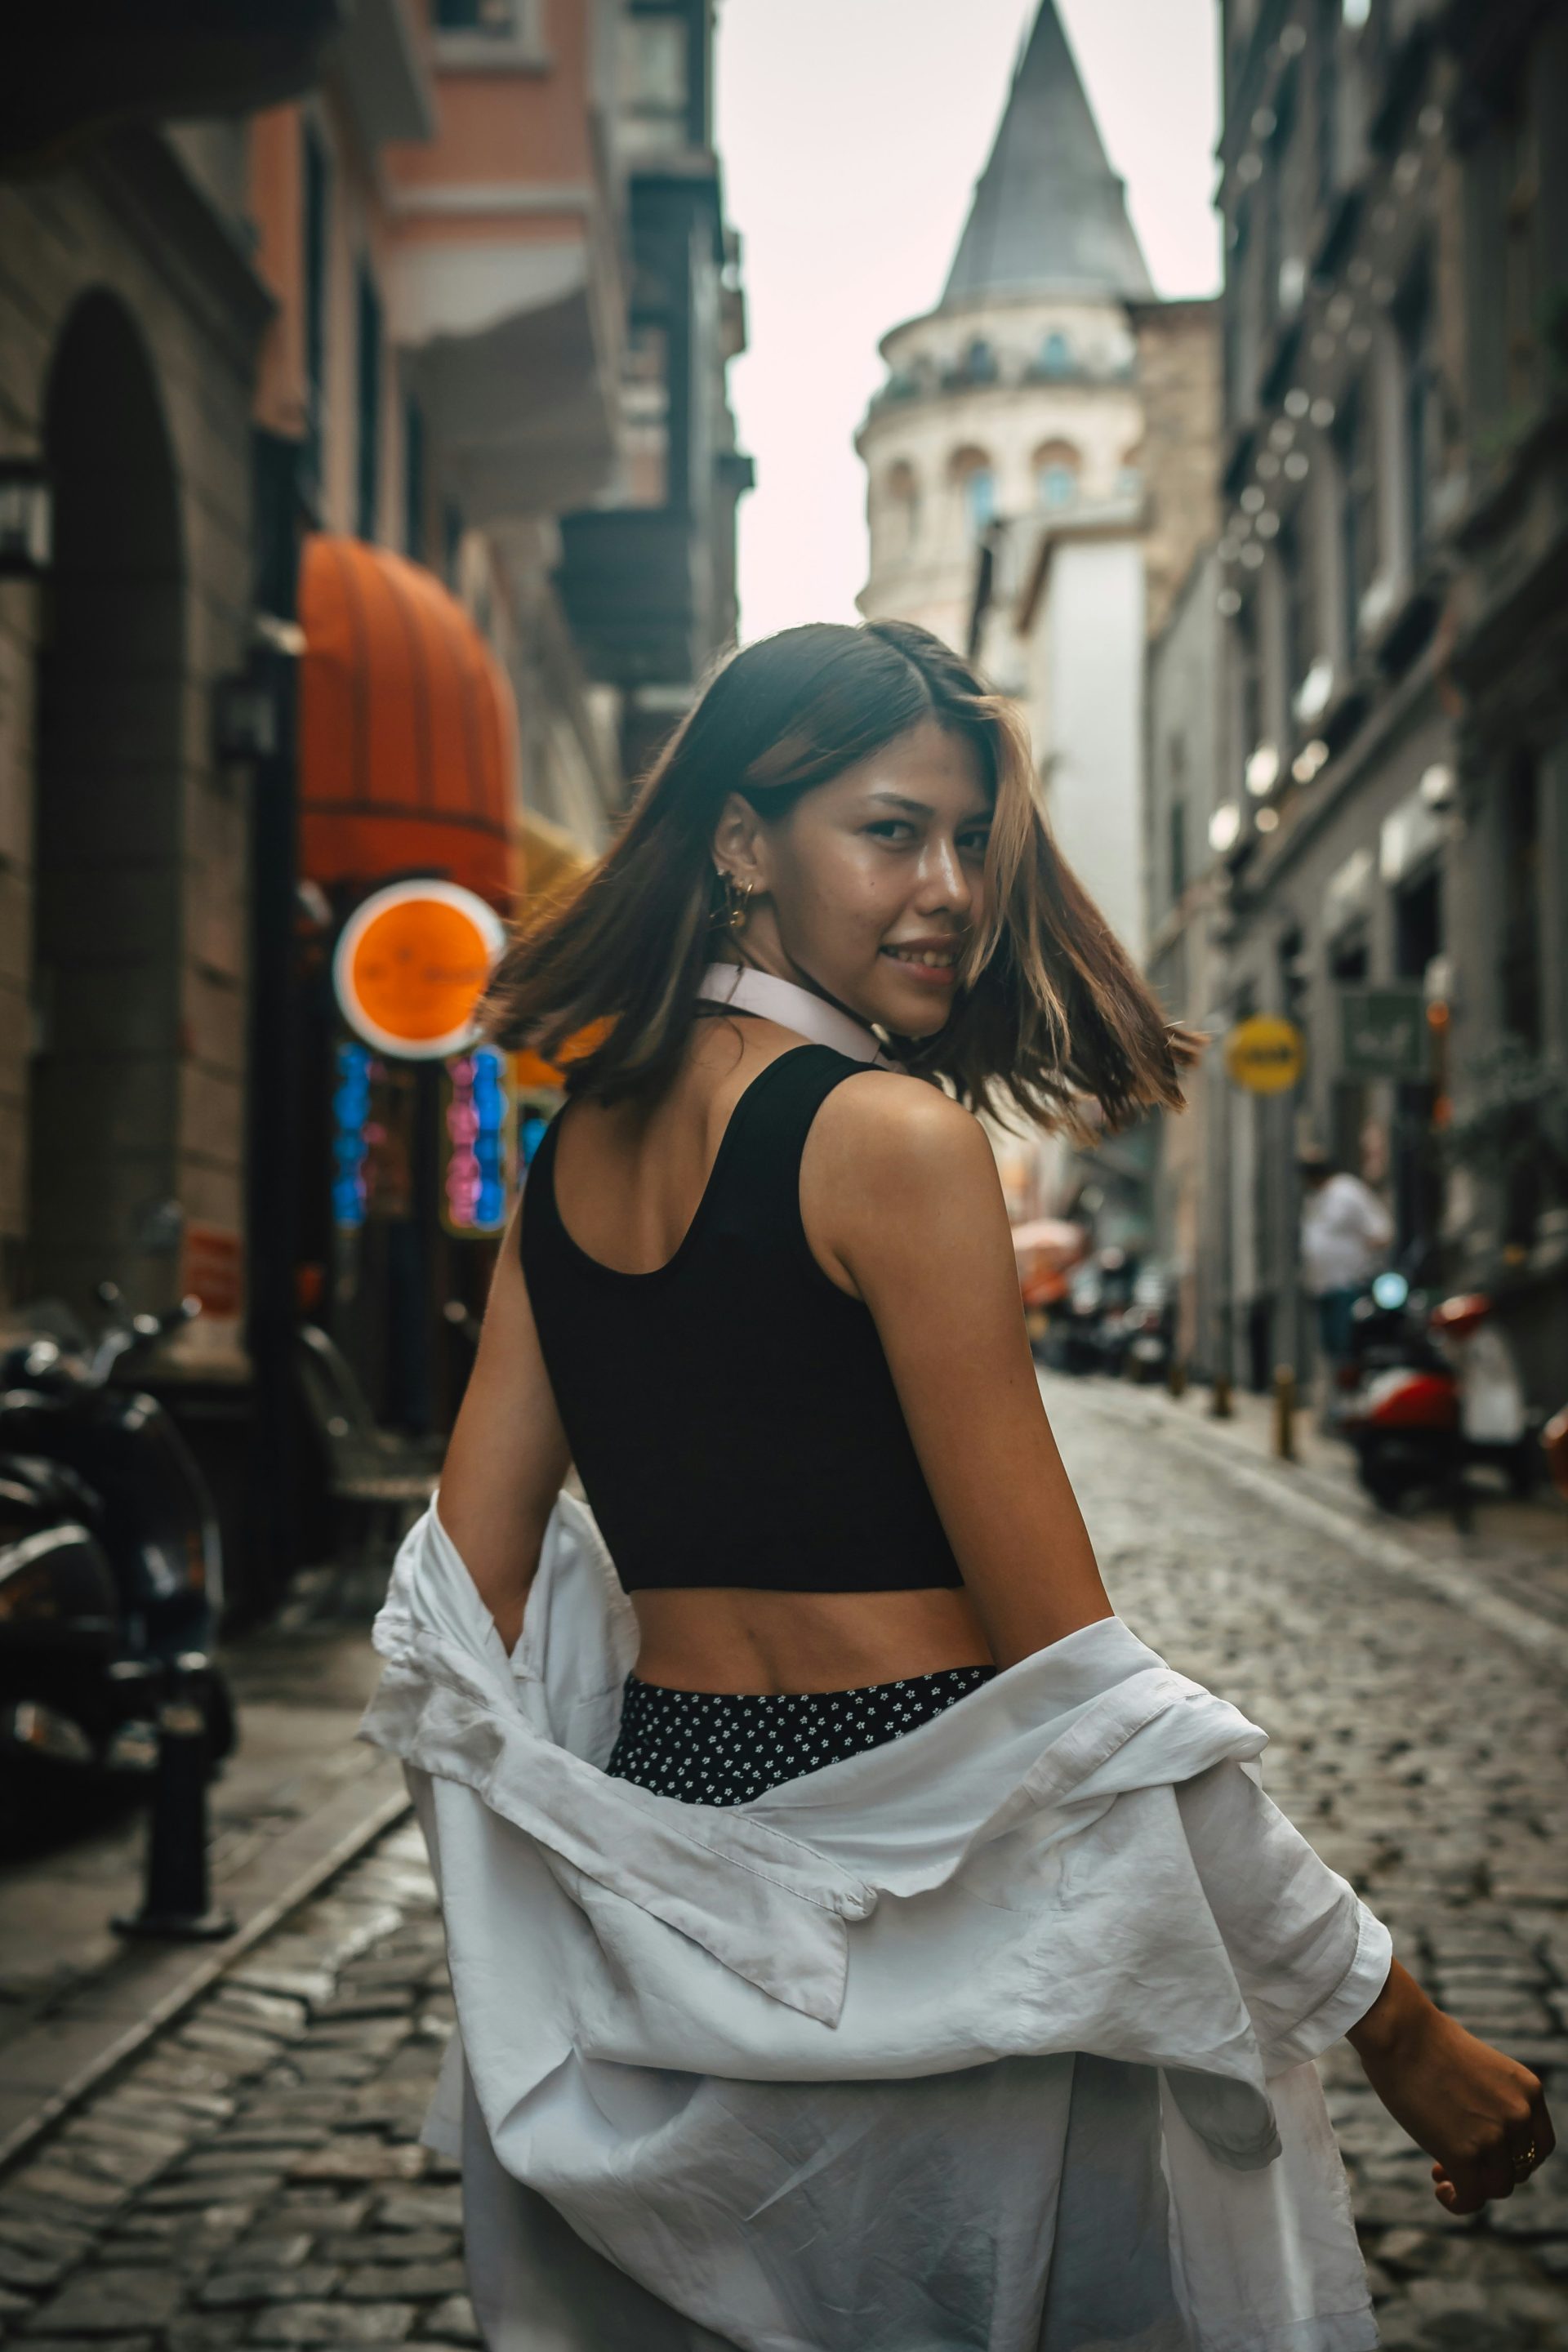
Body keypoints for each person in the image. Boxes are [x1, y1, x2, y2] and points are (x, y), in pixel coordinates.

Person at [365, 623, 1552, 2352]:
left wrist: (571, 1895)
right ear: (743, 844)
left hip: (665, 1872)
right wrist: (1397, 2023)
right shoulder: (897, 1142)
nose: (951, 891)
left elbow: (452, 1627)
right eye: (891, 831)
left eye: (970, 841)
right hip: (944, 1902)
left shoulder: (572, 1157)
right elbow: (1080, 1685)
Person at [1298, 1143, 1394, 1371]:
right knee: (1331, 1346)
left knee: (1346, 1344)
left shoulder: (1348, 1192)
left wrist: (1360, 1255)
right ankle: (1337, 1398)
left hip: (1348, 1282)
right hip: (1323, 1285)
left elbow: (1381, 1231)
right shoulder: (1315, 1199)